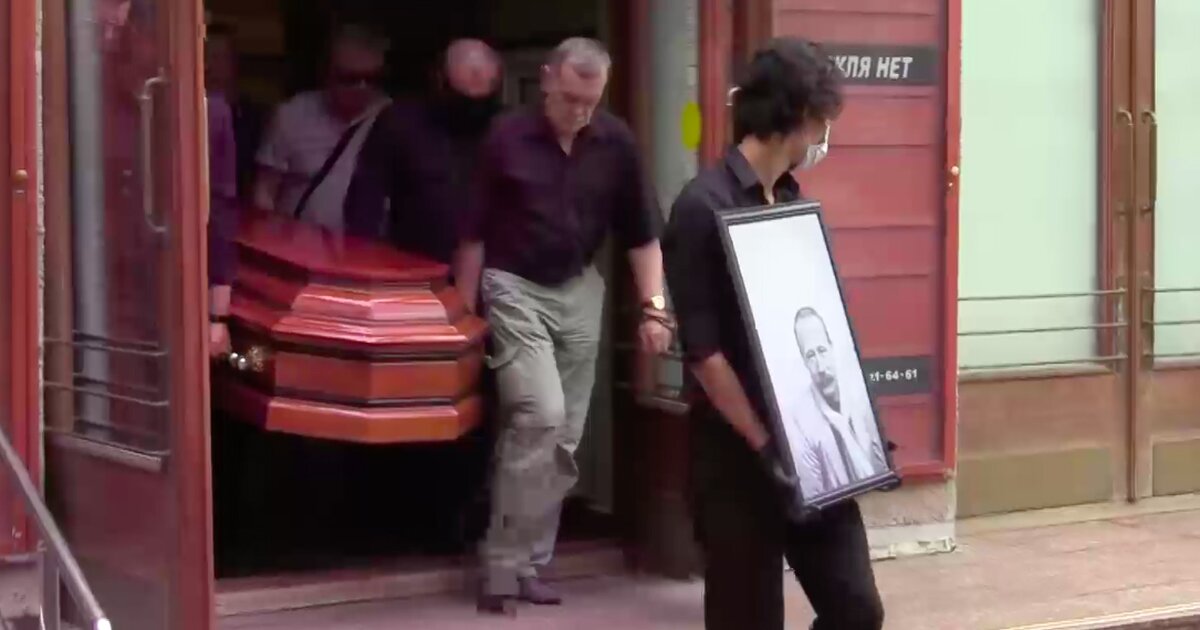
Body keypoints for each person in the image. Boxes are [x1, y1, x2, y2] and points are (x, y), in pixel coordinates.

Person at [662, 37, 884, 630]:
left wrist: (857, 430)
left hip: (812, 444)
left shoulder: (787, 196)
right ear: (801, 117)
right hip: (739, 459)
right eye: (824, 123)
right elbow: (705, 353)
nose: (824, 138)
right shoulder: (700, 206)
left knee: (857, 610)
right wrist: (765, 445)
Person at [455, 37, 672, 614]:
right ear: (548, 79)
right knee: (540, 415)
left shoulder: (616, 142)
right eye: (570, 98)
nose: (579, 112)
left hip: (578, 289)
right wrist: (463, 319)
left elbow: (643, 234)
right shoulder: (506, 137)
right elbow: (472, 234)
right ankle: (502, 565)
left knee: (564, 436)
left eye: (590, 102)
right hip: (513, 285)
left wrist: (654, 307)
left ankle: (530, 563)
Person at [344, 38, 504, 264]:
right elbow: (364, 204)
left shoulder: (506, 127)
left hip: (491, 270)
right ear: (440, 81)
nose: (474, 111)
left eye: (483, 101)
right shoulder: (400, 123)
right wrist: (368, 263)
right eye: (465, 101)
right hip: (413, 265)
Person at [253, 24, 391, 229]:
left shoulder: (390, 118)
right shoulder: (292, 115)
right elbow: (265, 191)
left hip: (364, 245)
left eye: (371, 79)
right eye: (350, 79)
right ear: (327, 75)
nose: (362, 87)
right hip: (297, 243)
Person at [789, 307, 887, 496]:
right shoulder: (801, 421)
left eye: (822, 350)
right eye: (810, 355)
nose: (820, 367)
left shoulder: (862, 394)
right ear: (804, 361)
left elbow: (884, 466)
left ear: (831, 347)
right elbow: (814, 496)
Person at [204, 23, 265, 202]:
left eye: (219, 57)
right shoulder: (185, 117)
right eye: (205, 57)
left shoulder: (253, 119)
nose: (209, 66)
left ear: (234, 63)